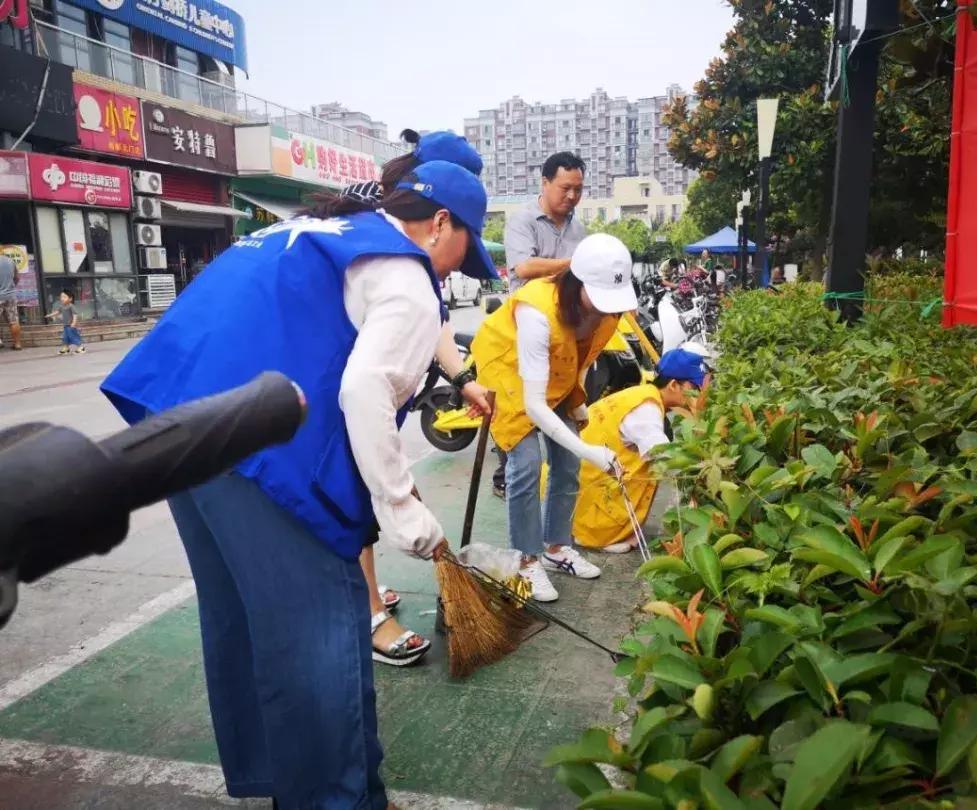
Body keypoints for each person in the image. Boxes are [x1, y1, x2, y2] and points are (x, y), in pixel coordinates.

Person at [101, 159, 497, 808]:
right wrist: (401, 508)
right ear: (440, 223)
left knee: (242, 614)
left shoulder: (314, 228)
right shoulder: (407, 274)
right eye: (464, 253)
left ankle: (303, 781)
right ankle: (333, 799)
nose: (457, 271)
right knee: (320, 633)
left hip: (173, 418)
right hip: (255, 444)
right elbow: (364, 389)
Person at [355, 129, 492, 666]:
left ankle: (362, 589)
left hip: (356, 378)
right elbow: (364, 386)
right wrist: (403, 506)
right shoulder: (377, 220)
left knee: (365, 489)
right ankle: (366, 609)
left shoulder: (413, 241)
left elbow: (433, 317)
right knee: (351, 496)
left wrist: (463, 379)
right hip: (318, 384)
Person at [473, 233, 637, 602]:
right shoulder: (536, 311)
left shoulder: (607, 313)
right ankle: (526, 559)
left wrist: (577, 399)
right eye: (600, 296)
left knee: (568, 462)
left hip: (555, 376)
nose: (606, 308)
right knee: (526, 464)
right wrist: (591, 449)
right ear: (577, 281)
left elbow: (583, 353)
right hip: (510, 375)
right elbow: (533, 406)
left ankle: (556, 548)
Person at [488, 152, 588, 498]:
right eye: (565, 188)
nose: (572, 196)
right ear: (544, 183)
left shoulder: (578, 228)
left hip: (563, 337)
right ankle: (504, 476)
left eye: (578, 189)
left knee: (568, 460)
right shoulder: (522, 221)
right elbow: (524, 268)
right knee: (524, 458)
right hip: (524, 335)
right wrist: (575, 263)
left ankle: (558, 532)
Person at [572, 349, 710, 553]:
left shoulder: (641, 395)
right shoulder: (646, 410)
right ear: (673, 385)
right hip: (588, 504)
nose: (700, 395)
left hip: (576, 485)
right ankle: (600, 535)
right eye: (695, 388)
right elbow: (666, 457)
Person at [46, 290, 86, 355]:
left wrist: (74, 323)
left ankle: (81, 347)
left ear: (70, 299)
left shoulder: (71, 306)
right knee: (65, 337)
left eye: (64, 297)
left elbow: (75, 314)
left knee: (73, 336)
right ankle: (66, 348)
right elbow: (57, 312)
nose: (62, 298)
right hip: (65, 325)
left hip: (71, 325)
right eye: (61, 297)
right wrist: (50, 315)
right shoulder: (62, 306)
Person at [0, 252, 21, 351]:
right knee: (13, 321)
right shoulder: (10, 261)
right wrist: (11, 288)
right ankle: (17, 344)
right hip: (10, 296)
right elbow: (17, 278)